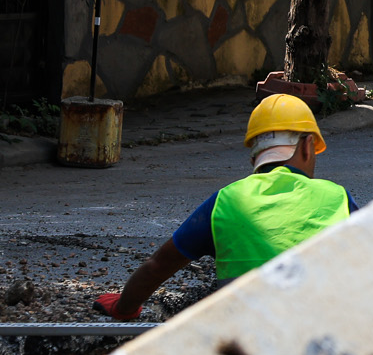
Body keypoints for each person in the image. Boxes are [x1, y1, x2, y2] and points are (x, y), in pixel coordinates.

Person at [94, 94, 355, 320]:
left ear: (254, 158)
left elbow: (157, 266)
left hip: (245, 341)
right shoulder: (337, 198)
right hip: (326, 333)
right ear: (308, 147)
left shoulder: (226, 201)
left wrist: (123, 307)